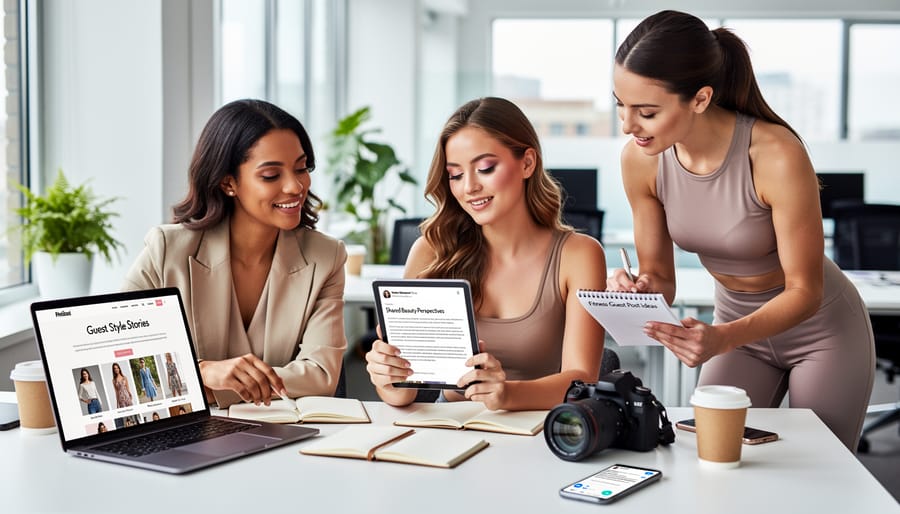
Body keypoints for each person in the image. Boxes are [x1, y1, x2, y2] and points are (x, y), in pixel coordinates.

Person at [608, 10, 875, 451]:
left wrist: (721, 338)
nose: (627, 125)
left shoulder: (775, 154)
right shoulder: (641, 160)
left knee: (819, 468)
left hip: (822, 331)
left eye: (647, 112)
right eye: (621, 104)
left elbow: (805, 290)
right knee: (711, 456)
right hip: (735, 328)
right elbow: (660, 278)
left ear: (700, 98)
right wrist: (637, 290)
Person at [365, 97, 607, 411]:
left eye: (485, 169)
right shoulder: (431, 251)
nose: (469, 187)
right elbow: (404, 393)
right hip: (452, 426)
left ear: (527, 163)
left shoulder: (579, 255)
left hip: (541, 429)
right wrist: (389, 378)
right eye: (455, 175)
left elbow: (583, 379)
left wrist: (506, 395)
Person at [123, 99, 347, 408]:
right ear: (228, 182)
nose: (296, 186)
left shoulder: (326, 256)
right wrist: (204, 371)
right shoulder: (166, 251)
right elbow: (117, 354)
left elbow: (320, 376)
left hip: (282, 431)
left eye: (301, 168)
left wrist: (212, 389)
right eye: (271, 175)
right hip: (189, 431)